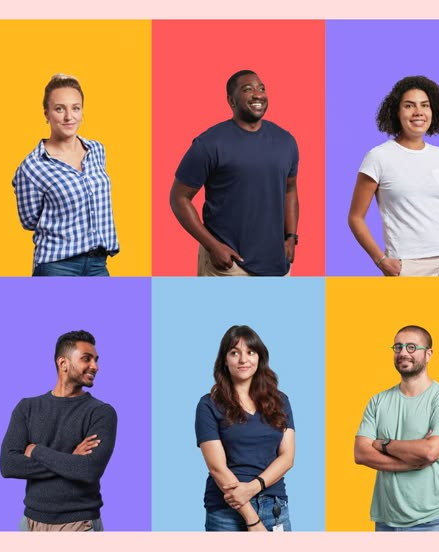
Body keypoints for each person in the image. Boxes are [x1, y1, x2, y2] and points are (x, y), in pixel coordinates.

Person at [170, 69, 299, 276]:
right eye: (248, 89)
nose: (258, 94)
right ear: (231, 100)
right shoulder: (209, 144)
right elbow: (179, 198)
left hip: (277, 264)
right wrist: (212, 246)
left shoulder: (286, 141)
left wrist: (291, 237)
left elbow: (290, 190)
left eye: (262, 88)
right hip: (229, 265)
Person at [348, 76, 439, 277]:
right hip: (409, 265)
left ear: (433, 111)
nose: (418, 112)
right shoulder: (378, 157)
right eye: (409, 106)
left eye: (425, 105)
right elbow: (355, 217)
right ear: (397, 112)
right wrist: (382, 261)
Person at [0, 330, 117, 531]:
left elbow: (89, 470)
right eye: (86, 359)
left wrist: (36, 450)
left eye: (96, 360)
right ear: (63, 363)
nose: (95, 366)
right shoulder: (27, 408)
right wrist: (71, 459)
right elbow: (9, 465)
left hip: (78, 523)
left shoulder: (101, 412)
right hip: (29, 523)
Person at [354, 325, 439, 531]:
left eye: (412, 347)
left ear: (428, 354)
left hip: (432, 522)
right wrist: (412, 462)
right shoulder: (378, 401)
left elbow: (430, 452)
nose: (403, 352)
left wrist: (381, 443)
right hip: (386, 521)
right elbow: (360, 453)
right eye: (398, 347)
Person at [12, 74, 120, 276]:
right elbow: (29, 221)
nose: (69, 116)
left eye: (75, 108)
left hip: (98, 264)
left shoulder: (96, 150)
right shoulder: (32, 167)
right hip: (57, 266)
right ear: (46, 114)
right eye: (59, 109)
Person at [195, 325, 295, 531]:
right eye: (234, 353)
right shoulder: (208, 405)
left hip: (274, 506)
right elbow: (217, 468)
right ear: (224, 360)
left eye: (250, 352)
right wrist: (252, 518)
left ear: (259, 358)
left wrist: (252, 488)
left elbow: (287, 457)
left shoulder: (280, 401)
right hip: (226, 510)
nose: (243, 360)